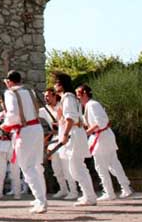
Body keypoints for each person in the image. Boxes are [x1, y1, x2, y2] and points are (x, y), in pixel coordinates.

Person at [0, 70, 47, 214]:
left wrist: (5, 125)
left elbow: (13, 114)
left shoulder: (10, 93)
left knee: (27, 167)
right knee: (36, 165)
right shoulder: (30, 91)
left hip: (25, 131)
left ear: (9, 81)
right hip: (37, 128)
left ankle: (40, 201)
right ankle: (41, 197)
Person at [76, 84, 133, 200]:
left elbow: (101, 122)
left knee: (102, 166)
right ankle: (125, 188)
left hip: (101, 138)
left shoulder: (92, 105)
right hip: (102, 137)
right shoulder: (89, 106)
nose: (78, 98)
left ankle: (110, 192)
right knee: (113, 164)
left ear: (85, 94)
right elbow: (90, 122)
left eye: (78, 95)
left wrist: (86, 132)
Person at [53, 72, 97, 206]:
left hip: (73, 135)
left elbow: (70, 118)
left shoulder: (68, 98)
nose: (54, 86)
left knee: (76, 169)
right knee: (77, 168)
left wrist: (65, 134)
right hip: (75, 134)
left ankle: (90, 197)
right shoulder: (68, 98)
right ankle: (88, 195)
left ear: (60, 84)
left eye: (56, 83)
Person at [39, 88, 77, 199]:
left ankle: (73, 191)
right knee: (56, 167)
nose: (46, 98)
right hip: (55, 138)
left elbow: (70, 120)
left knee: (66, 166)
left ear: (55, 96)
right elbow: (33, 112)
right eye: (45, 96)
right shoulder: (44, 110)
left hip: (65, 137)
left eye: (48, 96)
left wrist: (60, 125)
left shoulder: (63, 106)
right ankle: (63, 189)